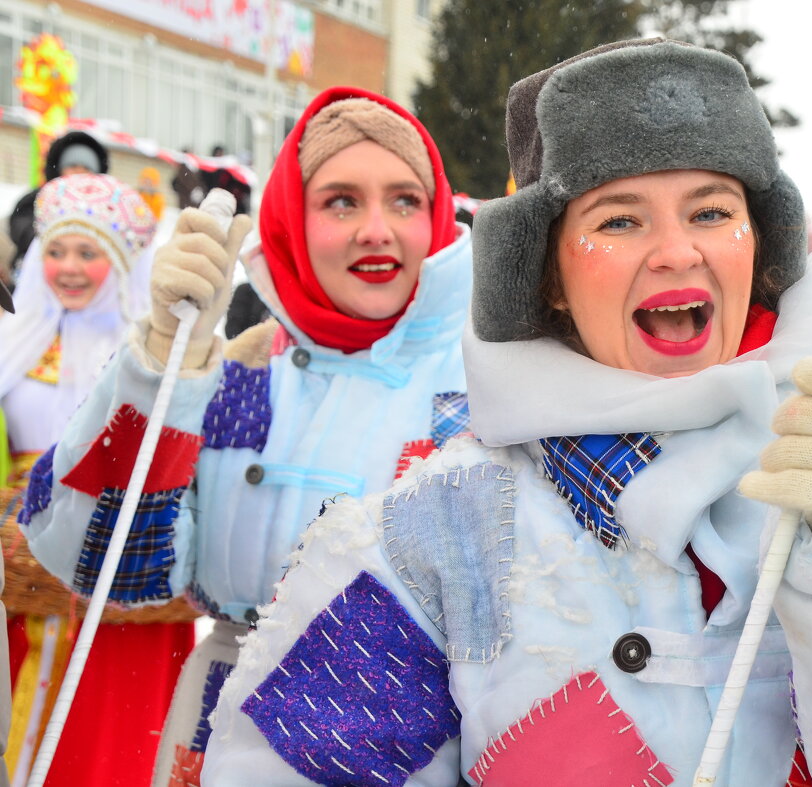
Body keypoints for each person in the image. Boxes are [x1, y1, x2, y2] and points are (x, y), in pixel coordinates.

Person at [206, 40, 812, 786]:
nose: (677, 251)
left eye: (712, 211)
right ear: (548, 277)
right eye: (620, 219)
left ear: (761, 246)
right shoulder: (435, 535)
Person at [19, 87, 473, 784]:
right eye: (341, 202)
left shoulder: (482, 388)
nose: (376, 229)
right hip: (214, 735)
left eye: (404, 201)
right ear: (293, 221)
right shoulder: (243, 371)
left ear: (436, 217)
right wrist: (163, 365)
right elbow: (105, 560)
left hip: (416, 754)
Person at [0, 173, 196, 786]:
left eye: (88, 253)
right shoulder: (15, 341)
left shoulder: (150, 352)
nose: (69, 268)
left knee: (107, 741)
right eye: (56, 251)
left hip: (121, 573)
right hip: (20, 569)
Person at [7, 131, 109, 280]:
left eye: (86, 168)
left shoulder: (105, 207)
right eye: (73, 166)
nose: (79, 172)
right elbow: (21, 228)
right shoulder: (39, 198)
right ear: (60, 168)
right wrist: (54, 243)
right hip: (33, 273)